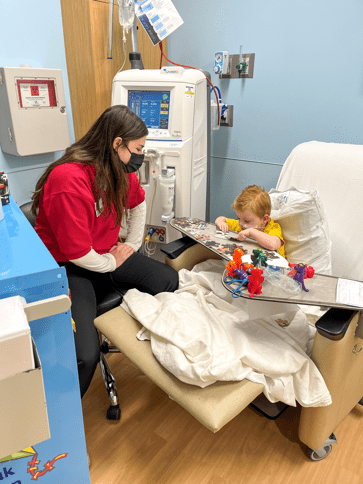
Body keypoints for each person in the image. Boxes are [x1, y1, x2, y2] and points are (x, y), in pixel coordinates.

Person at [31, 105, 179, 398]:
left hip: (104, 255)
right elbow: (76, 253)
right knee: (84, 356)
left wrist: (131, 246)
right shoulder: (68, 180)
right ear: (116, 144)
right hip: (69, 266)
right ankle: (62, 418)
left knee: (168, 281)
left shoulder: (118, 169)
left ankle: (161, 354)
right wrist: (112, 261)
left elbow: (137, 203)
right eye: (138, 149)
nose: (140, 156)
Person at [215, 185, 285, 257]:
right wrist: (221, 222)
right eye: (238, 218)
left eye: (246, 221)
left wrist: (252, 231)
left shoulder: (273, 227)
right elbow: (221, 218)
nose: (241, 223)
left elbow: (273, 244)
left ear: (264, 219)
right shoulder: (242, 226)